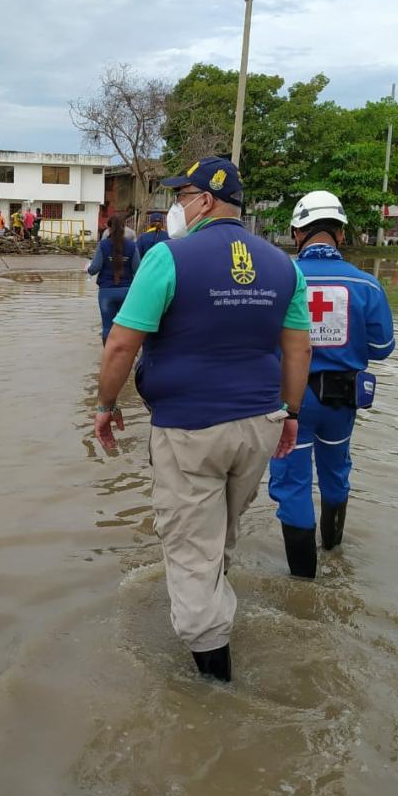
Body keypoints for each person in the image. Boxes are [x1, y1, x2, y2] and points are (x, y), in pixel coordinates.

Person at [93, 156, 312, 682]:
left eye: (183, 195)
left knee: (190, 548)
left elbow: (123, 342)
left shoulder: (169, 258)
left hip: (190, 430)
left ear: (206, 200)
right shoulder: (286, 266)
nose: (179, 206)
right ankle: (214, 608)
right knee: (222, 533)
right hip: (259, 423)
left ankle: (216, 687)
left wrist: (105, 406)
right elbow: (298, 348)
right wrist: (292, 414)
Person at [268, 191, 395, 579]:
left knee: (292, 482)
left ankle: (303, 584)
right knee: (336, 471)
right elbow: (382, 348)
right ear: (341, 234)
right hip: (342, 401)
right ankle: (333, 550)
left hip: (290, 401)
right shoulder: (368, 286)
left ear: (296, 232)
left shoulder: (280, 278)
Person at [87, 215, 140, 343]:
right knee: (125, 327)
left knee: (107, 327)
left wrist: (88, 268)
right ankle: (124, 356)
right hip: (126, 292)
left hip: (106, 292)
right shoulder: (132, 246)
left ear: (108, 228)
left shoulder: (103, 245)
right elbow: (138, 270)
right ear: (124, 228)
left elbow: (95, 268)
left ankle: (107, 357)